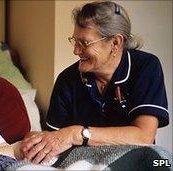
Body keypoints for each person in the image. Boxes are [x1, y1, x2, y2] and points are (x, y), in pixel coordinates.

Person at [21, 1, 169, 165]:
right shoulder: (67, 80)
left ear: (115, 43)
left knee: (165, 162)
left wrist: (77, 134)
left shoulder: (146, 67)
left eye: (84, 43)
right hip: (84, 163)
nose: (75, 51)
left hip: (138, 162)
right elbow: (54, 142)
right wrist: (35, 139)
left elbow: (144, 136)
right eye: (74, 41)